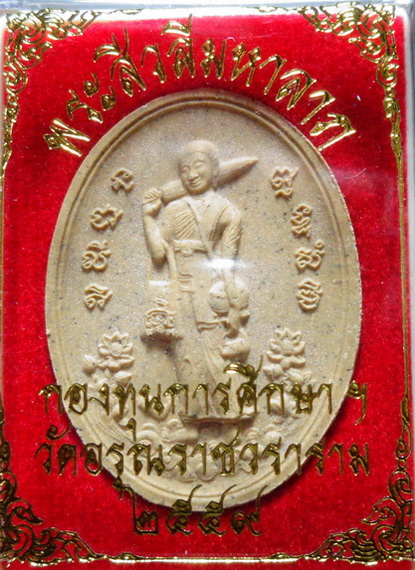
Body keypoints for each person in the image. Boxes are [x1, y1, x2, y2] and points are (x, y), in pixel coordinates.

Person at [142, 140, 251, 419]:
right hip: (180, 288)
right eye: (184, 170)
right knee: (185, 352)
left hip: (209, 290)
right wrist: (148, 218)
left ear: (214, 169)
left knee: (216, 351)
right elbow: (158, 255)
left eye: (198, 166)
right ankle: (192, 418)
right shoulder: (174, 209)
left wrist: (234, 306)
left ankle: (230, 413)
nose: (191, 174)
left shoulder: (228, 212)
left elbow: (228, 264)